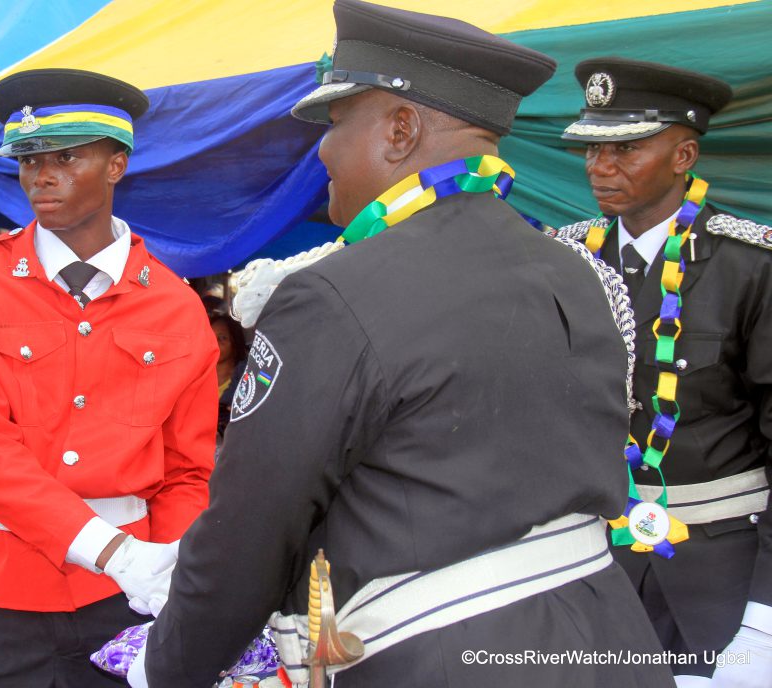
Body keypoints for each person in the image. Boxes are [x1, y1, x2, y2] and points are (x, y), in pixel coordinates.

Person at [133, 3, 674, 687]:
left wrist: (166, 666)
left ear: (401, 129)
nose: (321, 151)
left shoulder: (332, 295)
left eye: (333, 125)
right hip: (610, 640)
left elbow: (250, 533)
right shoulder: (577, 271)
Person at [0, 68, 218, 688]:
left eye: (66, 157)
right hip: (0, 595)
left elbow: (188, 470)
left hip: (125, 598)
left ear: (116, 165)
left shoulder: (175, 305)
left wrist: (166, 570)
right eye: (29, 159)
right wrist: (117, 553)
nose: (41, 176)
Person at [553, 58, 772, 685]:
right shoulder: (562, 261)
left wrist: (765, 619)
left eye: (626, 148)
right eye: (592, 150)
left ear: (684, 157)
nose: (601, 167)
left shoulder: (749, 266)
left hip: (724, 574)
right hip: (595, 569)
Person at [209, 312, 246, 437]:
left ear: (235, 342)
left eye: (222, 338)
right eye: (210, 337)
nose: (215, 342)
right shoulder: (195, 377)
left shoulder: (244, 380)